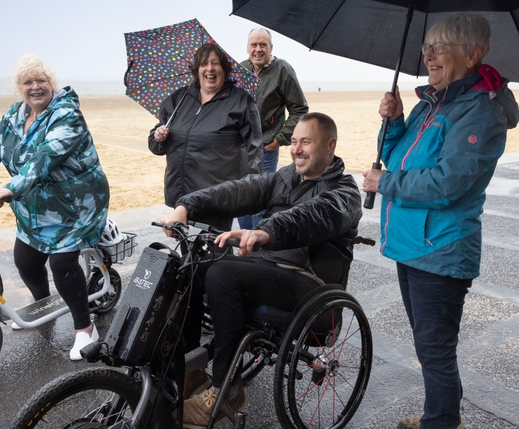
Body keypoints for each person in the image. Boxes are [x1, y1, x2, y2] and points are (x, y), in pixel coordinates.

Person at [362, 13, 519, 429]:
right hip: (413, 244)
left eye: (440, 46)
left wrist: (387, 183)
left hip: (441, 249)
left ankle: (443, 423)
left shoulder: (481, 114)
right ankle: (443, 417)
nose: (429, 55)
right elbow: (397, 156)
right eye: (427, 46)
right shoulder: (432, 102)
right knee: (427, 346)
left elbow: (450, 183)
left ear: (473, 55)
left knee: (434, 351)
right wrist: (394, 120)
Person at [160, 112, 362, 428]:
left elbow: (312, 217)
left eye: (305, 142)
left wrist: (266, 231)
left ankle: (228, 390)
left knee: (222, 275)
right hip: (266, 268)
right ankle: (189, 371)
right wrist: (186, 206)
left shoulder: (344, 193)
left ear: (330, 145)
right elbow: (240, 189)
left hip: (311, 288)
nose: (296, 149)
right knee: (190, 266)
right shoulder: (286, 177)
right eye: (293, 141)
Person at [0, 54, 110, 361]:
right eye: (28, 82)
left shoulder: (67, 115)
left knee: (62, 264)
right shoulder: (15, 116)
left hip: (75, 203)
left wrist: (10, 187)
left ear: (51, 84)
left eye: (41, 81)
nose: (35, 87)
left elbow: (45, 157)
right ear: (19, 88)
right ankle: (44, 307)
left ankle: (85, 328)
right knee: (25, 259)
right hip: (35, 204)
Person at [148, 42, 262, 233]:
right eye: (203, 63)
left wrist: (246, 193)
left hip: (217, 199)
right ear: (197, 70)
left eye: (215, 63)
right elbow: (156, 145)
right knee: (187, 255)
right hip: (181, 195)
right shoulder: (178, 99)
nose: (209, 68)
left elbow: (253, 150)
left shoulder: (240, 101)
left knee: (216, 255)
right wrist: (157, 137)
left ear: (224, 70)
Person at [237, 27, 309, 229]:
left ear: (271, 47)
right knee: (241, 197)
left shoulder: (282, 69)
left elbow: (299, 109)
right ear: (247, 47)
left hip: (266, 148)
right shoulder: (241, 70)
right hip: (240, 149)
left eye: (263, 45)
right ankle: (245, 246)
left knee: (259, 198)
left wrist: (279, 138)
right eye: (254, 45)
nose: (258, 49)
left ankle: (258, 250)